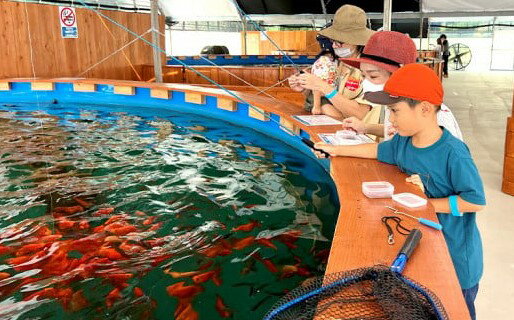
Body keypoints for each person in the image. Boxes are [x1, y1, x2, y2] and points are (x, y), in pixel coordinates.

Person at [313, 64, 485, 320]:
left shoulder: (453, 153)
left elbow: (475, 201)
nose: (390, 120)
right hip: (420, 240)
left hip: (455, 258)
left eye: (395, 111)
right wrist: (335, 150)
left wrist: (425, 205)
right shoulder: (404, 140)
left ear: (425, 109)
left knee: (453, 309)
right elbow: (377, 151)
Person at [338, 31, 463, 141]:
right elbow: (396, 129)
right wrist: (365, 127)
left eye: (373, 76)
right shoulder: (394, 101)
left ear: (400, 75)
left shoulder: (435, 117)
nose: (365, 83)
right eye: (363, 76)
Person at [288, 4, 374, 120]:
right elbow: (319, 96)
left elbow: (362, 115)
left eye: (340, 42)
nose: (334, 46)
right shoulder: (334, 62)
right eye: (332, 40)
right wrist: (305, 87)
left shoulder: (370, 70)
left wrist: (323, 87)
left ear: (357, 40)